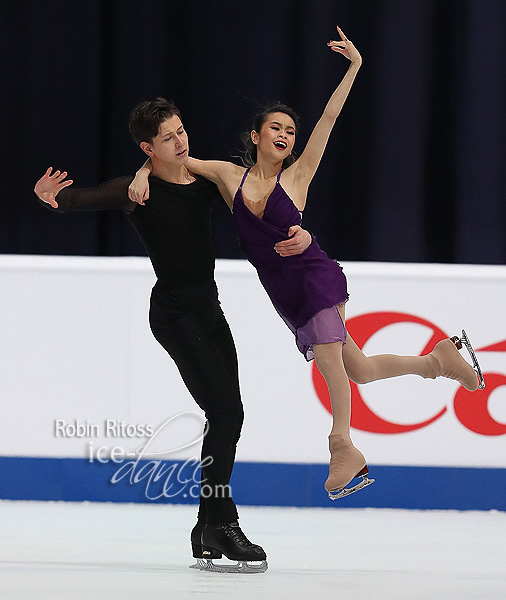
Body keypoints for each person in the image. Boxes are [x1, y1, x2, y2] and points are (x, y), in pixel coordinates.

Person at [130, 26, 482, 501]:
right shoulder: (227, 176)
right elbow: (172, 160)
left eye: (290, 131)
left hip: (314, 277)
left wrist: (355, 66)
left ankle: (343, 446)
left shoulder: (298, 175)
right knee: (360, 369)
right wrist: (139, 170)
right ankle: (438, 361)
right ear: (256, 136)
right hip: (287, 296)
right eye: (275, 126)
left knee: (332, 364)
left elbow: (330, 117)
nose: (285, 134)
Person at [34, 98, 312, 573]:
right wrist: (48, 195)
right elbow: (75, 200)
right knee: (224, 410)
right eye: (167, 138)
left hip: (208, 308)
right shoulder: (134, 191)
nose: (181, 141)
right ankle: (221, 523)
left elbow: (259, 209)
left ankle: (207, 525)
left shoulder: (204, 181)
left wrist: (300, 234)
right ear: (149, 147)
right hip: (174, 313)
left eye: (181, 131)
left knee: (230, 413)